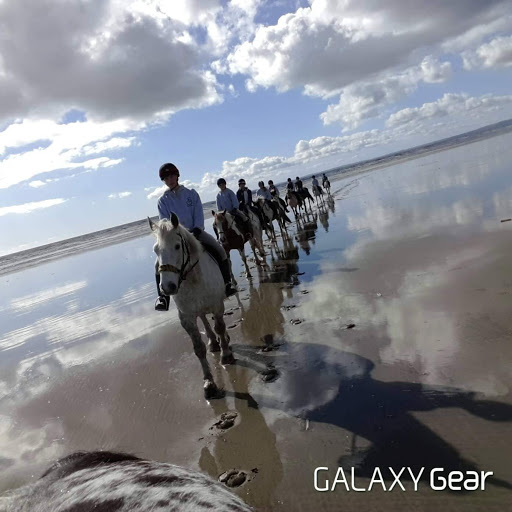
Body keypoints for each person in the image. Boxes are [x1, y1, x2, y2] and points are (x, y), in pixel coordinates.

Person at [154, 163, 237, 311]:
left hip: (196, 232)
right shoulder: (162, 201)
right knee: (157, 264)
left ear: (177, 176)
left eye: (172, 176)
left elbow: (198, 212)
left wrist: (198, 229)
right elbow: (165, 223)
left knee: (220, 250)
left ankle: (227, 284)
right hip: (175, 238)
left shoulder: (191, 194)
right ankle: (163, 297)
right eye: (166, 178)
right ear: (164, 181)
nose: (170, 179)